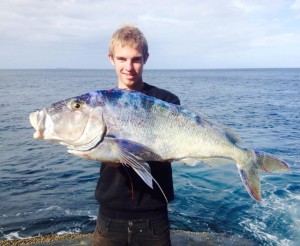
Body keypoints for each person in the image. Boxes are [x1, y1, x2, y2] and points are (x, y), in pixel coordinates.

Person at [92, 25, 180, 246]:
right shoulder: (101, 104)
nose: (128, 67)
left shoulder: (166, 101)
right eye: (122, 59)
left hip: (153, 214)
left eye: (136, 59)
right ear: (111, 59)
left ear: (146, 58)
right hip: (110, 216)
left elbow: (172, 151)